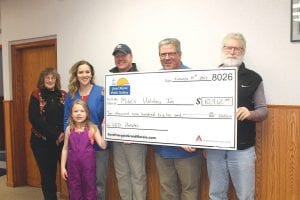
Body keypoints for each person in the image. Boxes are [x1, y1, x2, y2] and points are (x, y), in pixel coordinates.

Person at [205, 32, 268, 200]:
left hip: (243, 149)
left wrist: (250, 113)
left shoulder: (254, 78)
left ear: (243, 51)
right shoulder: (208, 76)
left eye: (237, 48)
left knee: (246, 195)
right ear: (222, 49)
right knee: (216, 194)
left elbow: (263, 110)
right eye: (229, 47)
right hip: (215, 148)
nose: (232, 52)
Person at [154, 38, 201, 200]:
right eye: (163, 54)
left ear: (180, 54)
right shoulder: (153, 79)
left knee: (189, 190)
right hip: (162, 149)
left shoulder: (194, 77)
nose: (167, 57)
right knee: (167, 190)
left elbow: (201, 111)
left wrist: (192, 137)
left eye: (171, 53)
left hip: (187, 149)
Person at [64, 60, 108, 200]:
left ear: (92, 74)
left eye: (87, 72)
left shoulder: (101, 92)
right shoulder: (71, 95)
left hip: (98, 146)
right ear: (76, 75)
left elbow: (107, 117)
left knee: (98, 184)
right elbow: (66, 118)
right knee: (77, 184)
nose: (84, 75)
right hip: (77, 149)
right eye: (81, 72)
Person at [108, 44, 147, 200]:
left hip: (135, 137)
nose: (120, 59)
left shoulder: (142, 78)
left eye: (123, 55)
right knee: (122, 175)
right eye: (117, 56)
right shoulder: (111, 79)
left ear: (131, 57)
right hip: (117, 137)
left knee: (137, 175)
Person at [29, 67, 66, 200]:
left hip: (63, 142)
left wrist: (62, 134)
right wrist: (56, 135)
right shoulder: (36, 95)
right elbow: (35, 119)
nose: (50, 80)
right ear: (42, 79)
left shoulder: (63, 94)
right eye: (47, 78)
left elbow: (67, 116)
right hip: (42, 144)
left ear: (56, 80)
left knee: (70, 173)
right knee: (48, 177)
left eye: (53, 78)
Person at [61, 99, 107, 200]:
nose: (79, 114)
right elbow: (65, 149)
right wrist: (62, 167)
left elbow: (103, 145)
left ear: (87, 113)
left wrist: (104, 128)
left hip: (88, 170)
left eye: (82, 111)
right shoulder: (69, 129)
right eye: (76, 111)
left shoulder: (92, 128)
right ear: (71, 114)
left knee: (90, 191)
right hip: (73, 169)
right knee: (74, 191)